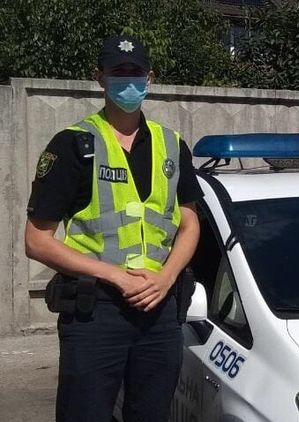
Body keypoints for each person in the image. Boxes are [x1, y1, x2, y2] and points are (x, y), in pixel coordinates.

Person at [24, 35, 202, 421]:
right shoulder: (73, 145)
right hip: (96, 313)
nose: (128, 80)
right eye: (118, 72)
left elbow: (190, 224)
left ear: (150, 77)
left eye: (136, 72)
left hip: (158, 310)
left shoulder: (172, 145)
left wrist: (167, 277)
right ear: (100, 77)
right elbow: (36, 241)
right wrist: (116, 276)